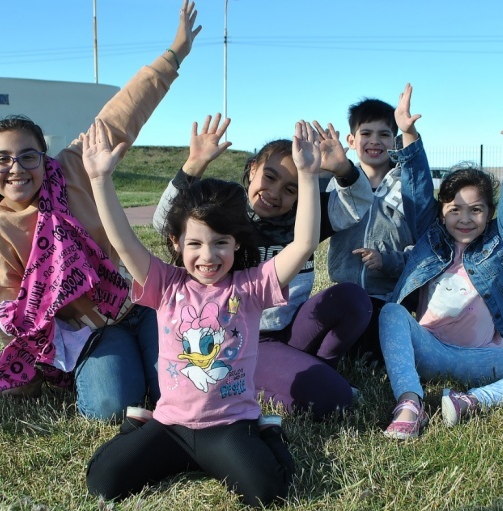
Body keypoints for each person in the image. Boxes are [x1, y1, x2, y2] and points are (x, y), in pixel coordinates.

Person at [0, 0, 201, 421]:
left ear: (44, 156)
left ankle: (148, 350)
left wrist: (175, 54)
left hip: (138, 302)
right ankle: (117, 361)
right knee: (112, 407)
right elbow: (8, 309)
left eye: (27, 156)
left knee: (185, 383)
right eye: (1, 159)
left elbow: (122, 115)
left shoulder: (74, 167)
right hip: (88, 332)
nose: (16, 168)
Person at [84, 118, 323, 507]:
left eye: (221, 243)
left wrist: (310, 176)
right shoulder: (165, 283)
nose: (208, 256)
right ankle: (138, 426)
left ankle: (267, 432)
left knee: (271, 492)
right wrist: (99, 179)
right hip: (170, 426)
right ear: (177, 243)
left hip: (230, 426)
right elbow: (122, 240)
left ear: (236, 243)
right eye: (195, 243)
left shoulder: (249, 286)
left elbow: (304, 243)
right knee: (102, 481)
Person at [152, 114, 373, 420]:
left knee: (353, 300)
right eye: (269, 177)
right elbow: (165, 222)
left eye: (290, 189)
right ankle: (251, 377)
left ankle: (318, 370)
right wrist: (194, 164)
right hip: (244, 335)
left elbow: (358, 204)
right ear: (253, 168)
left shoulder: (306, 216)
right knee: (333, 399)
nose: (274, 193)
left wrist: (343, 168)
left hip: (292, 326)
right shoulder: (228, 214)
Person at [379, 93, 503, 440]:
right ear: (442, 213)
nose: (465, 219)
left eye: (476, 210)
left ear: (490, 214)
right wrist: (408, 135)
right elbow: (418, 189)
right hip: (429, 349)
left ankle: (471, 401)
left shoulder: (499, 242)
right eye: (455, 209)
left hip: (480, 359)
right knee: (391, 313)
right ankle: (410, 403)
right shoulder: (431, 239)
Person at [313, 86, 422, 366]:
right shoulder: (337, 184)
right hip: (347, 292)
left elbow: (421, 250)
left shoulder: (406, 187)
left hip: (392, 297)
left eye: (384, 134)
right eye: (366, 133)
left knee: (379, 332)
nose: (375, 141)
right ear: (351, 140)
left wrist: (388, 261)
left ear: (395, 140)